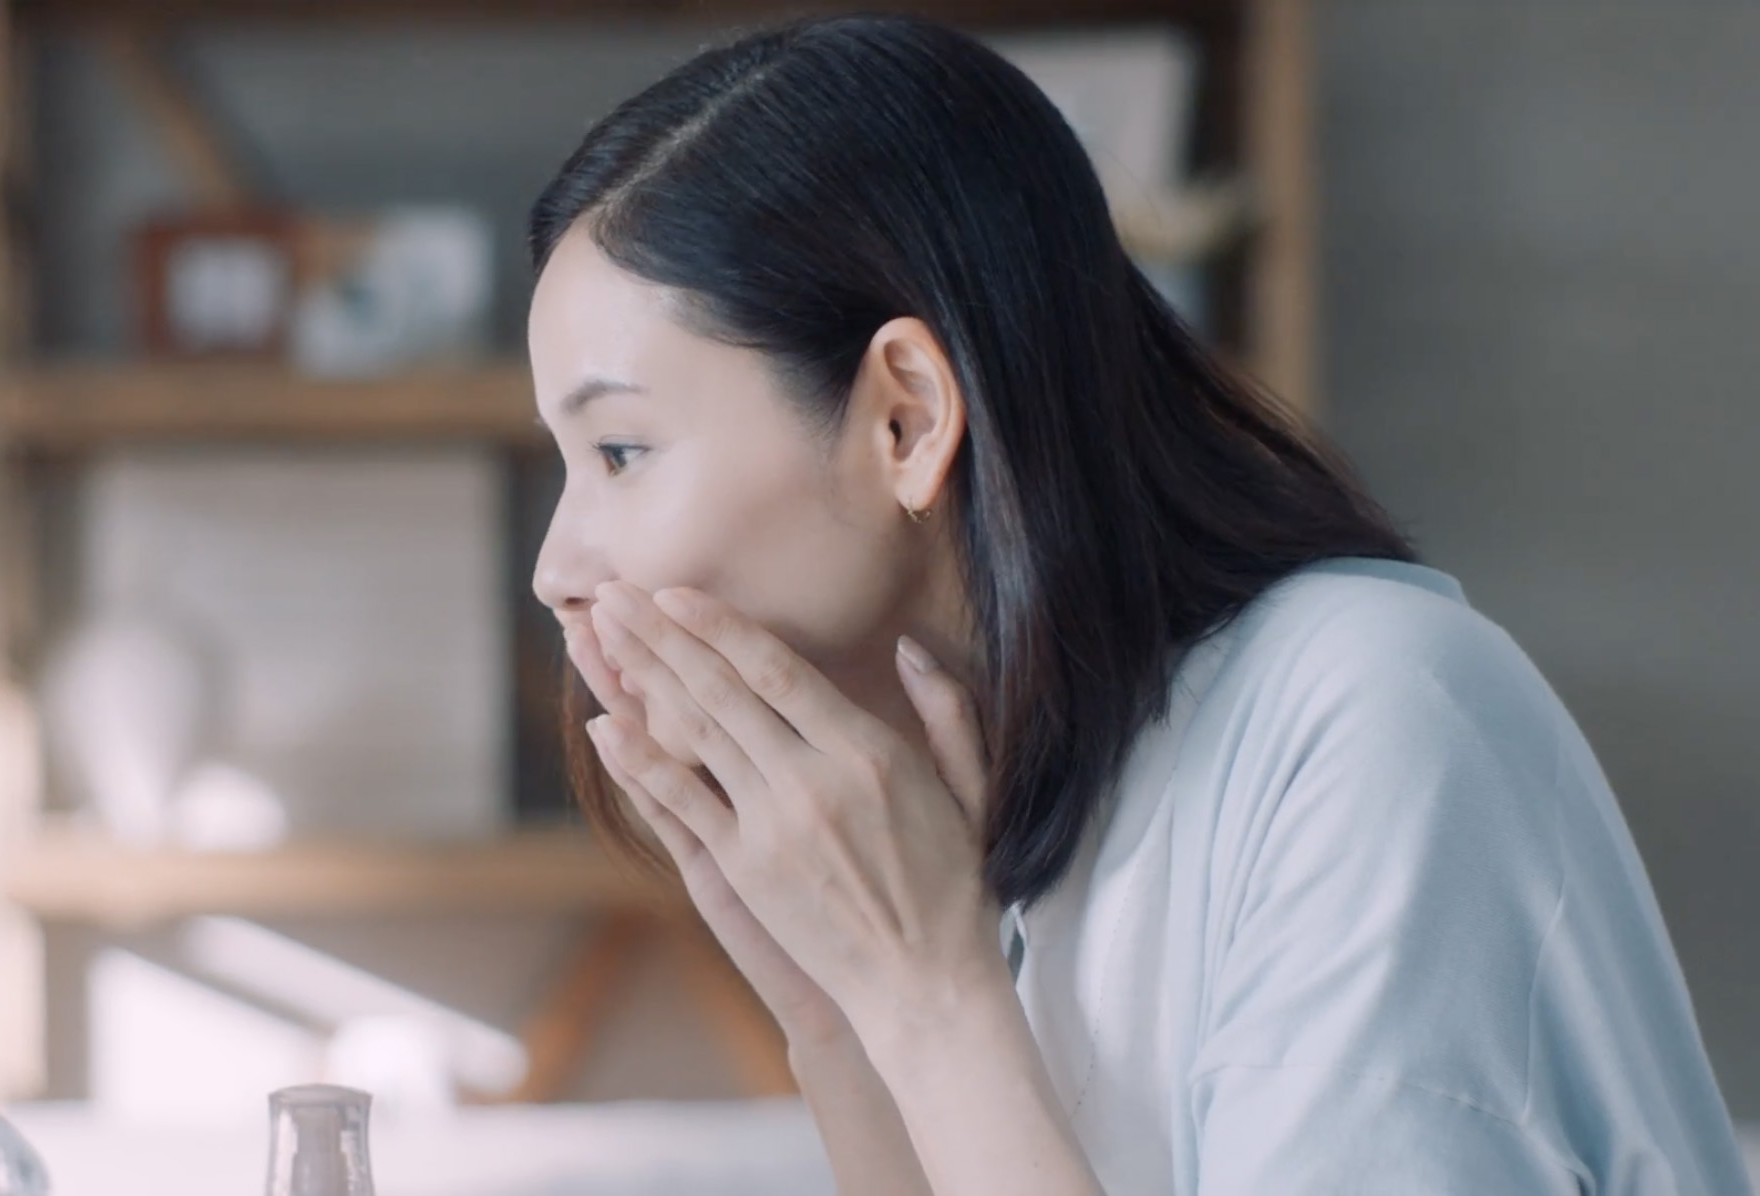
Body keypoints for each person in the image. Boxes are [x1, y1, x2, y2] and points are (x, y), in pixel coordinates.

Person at [523, 13, 1748, 1195]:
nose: (555, 567)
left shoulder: (1373, 717)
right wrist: (836, 1020)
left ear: (905, 415)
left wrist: (930, 1000)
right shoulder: (1000, 818)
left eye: (620, 450)